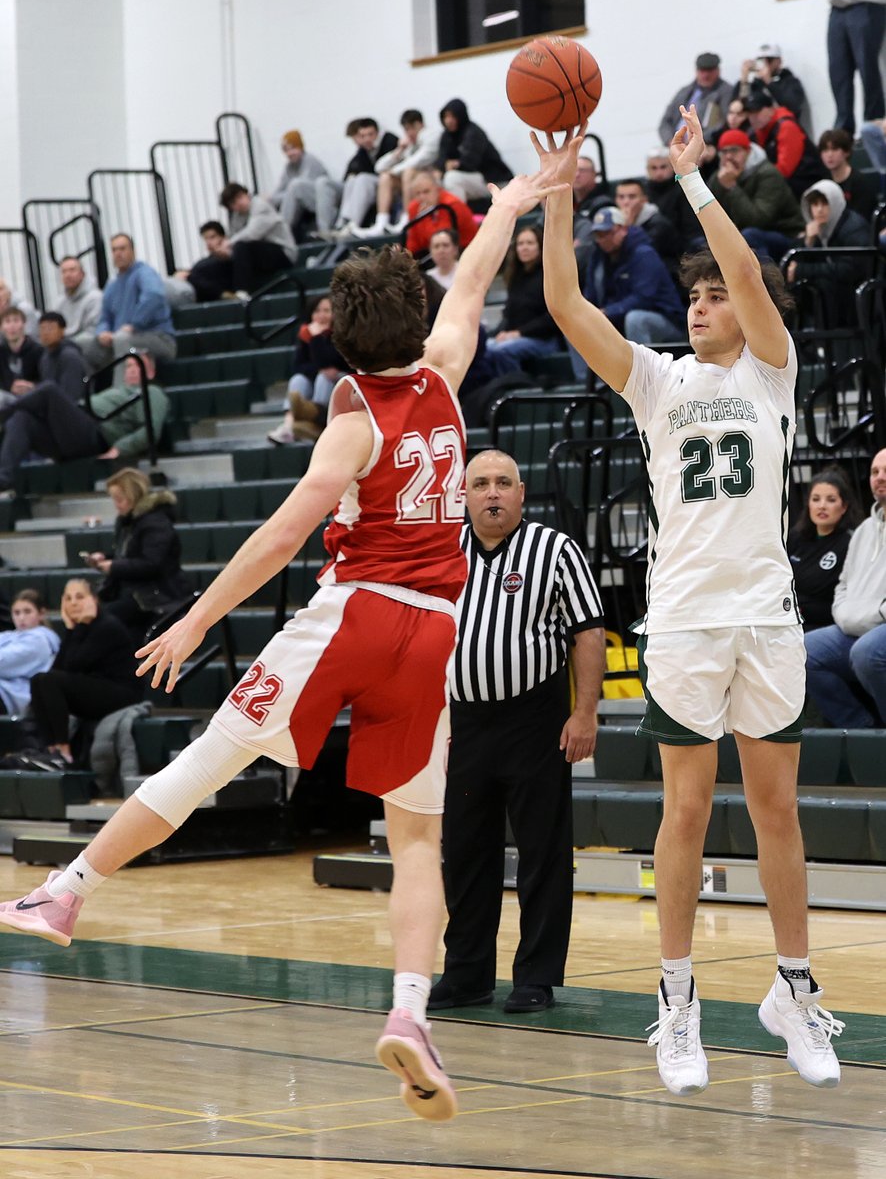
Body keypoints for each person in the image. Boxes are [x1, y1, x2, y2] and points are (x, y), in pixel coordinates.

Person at [0, 167, 562, 1123]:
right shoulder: (450, 374)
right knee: (417, 838)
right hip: (435, 633)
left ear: (340, 339)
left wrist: (196, 617)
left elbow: (278, 539)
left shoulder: (350, 420)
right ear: (414, 320)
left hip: (354, 614)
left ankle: (66, 891)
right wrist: (512, 205)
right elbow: (470, 284)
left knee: (212, 755)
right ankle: (412, 1011)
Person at [538, 104, 844, 1096]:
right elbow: (567, 310)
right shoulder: (659, 385)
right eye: (697, 296)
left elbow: (751, 276)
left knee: (778, 814)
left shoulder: (770, 377)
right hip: (680, 622)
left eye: (718, 294)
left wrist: (692, 179)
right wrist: (554, 202)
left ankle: (792, 991)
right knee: (682, 813)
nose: (707, 302)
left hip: (764, 617)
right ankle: (675, 1001)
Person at [429, 449, 604, 1014]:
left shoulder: (555, 550)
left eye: (504, 482)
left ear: (522, 493)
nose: (492, 493)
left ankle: (536, 976)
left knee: (543, 853)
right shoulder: (440, 554)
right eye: (480, 484)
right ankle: (466, 973)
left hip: (537, 720)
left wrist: (585, 713)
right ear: (465, 495)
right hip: (464, 724)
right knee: (463, 854)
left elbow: (588, 633)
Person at [0, 351, 169, 499]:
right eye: (128, 366)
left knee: (49, 390)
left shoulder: (153, 392)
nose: (132, 370)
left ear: (151, 372)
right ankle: (3, 480)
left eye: (138, 366)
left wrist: (120, 448)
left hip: (94, 434)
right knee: (22, 418)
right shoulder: (117, 391)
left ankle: (3, 413)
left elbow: (151, 430)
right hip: (73, 432)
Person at [805, 449, 886, 728]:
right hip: (855, 626)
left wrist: (875, 614)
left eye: (885, 471)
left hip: (879, 627)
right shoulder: (864, 530)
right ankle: (861, 729)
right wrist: (843, 614)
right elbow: (844, 584)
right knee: (804, 649)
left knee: (867, 653)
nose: (880, 477)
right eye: (875, 472)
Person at [28, 578, 143, 769]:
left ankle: (64, 752)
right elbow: (57, 668)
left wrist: (76, 628)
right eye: (68, 598)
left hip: (122, 693)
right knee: (38, 680)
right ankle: (50, 748)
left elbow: (74, 665)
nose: (73, 603)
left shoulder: (107, 626)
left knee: (49, 681)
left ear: (94, 600)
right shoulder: (79, 628)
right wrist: (72, 629)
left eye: (80, 597)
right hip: (96, 686)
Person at [84, 467, 191, 646]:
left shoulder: (155, 522)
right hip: (135, 593)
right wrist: (105, 558)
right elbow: (129, 554)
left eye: (119, 499)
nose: (116, 505)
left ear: (133, 495)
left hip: (155, 594)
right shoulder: (128, 521)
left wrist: (113, 566)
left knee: (102, 620)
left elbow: (152, 564)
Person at [580, 207, 685, 345]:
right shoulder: (597, 257)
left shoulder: (643, 253)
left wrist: (607, 312)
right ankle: (588, 367)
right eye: (598, 235)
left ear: (622, 229)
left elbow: (644, 298)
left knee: (635, 319)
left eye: (607, 233)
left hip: (665, 319)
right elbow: (590, 294)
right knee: (577, 323)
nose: (602, 239)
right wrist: (588, 313)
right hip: (616, 318)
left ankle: (643, 367)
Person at [81, 235, 176, 376]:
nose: (118, 253)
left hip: (158, 338)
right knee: (82, 343)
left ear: (132, 251)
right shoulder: (112, 284)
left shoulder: (145, 273)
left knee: (122, 339)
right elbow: (105, 316)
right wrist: (102, 332)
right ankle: (85, 395)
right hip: (120, 337)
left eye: (122, 249)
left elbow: (154, 296)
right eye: (114, 250)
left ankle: (121, 392)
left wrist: (134, 325)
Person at [707, 129, 804, 262]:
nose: (729, 157)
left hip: (785, 233)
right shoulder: (720, 177)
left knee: (750, 236)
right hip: (746, 232)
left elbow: (758, 219)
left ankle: (765, 281)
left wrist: (732, 187)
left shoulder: (768, 174)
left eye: (734, 150)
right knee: (702, 243)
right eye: (724, 152)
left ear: (748, 152)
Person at [785, 179, 873, 325]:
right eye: (814, 204)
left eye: (824, 203)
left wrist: (802, 270)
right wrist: (808, 241)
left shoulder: (853, 228)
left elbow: (849, 269)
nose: (819, 210)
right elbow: (790, 266)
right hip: (838, 292)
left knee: (819, 284)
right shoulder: (817, 229)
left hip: (858, 293)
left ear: (835, 203)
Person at [266, 295, 349, 445]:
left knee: (324, 378)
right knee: (299, 379)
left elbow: (333, 361)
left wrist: (317, 338)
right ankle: (289, 426)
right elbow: (299, 366)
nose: (321, 315)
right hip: (321, 378)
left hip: (344, 379)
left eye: (326, 310)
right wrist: (320, 368)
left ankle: (318, 423)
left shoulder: (342, 334)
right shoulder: (306, 334)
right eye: (317, 311)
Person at [788, 468, 860, 634]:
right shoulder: (796, 537)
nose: (822, 506)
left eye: (831, 500)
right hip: (790, 622)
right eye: (816, 499)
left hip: (825, 627)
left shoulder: (851, 542)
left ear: (844, 506)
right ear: (808, 504)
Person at [484, 225, 561, 376]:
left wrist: (519, 333)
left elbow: (552, 318)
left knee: (501, 351)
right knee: (483, 348)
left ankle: (516, 388)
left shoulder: (549, 277)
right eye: (520, 244)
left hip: (544, 339)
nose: (524, 248)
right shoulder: (515, 278)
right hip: (517, 337)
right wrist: (502, 332)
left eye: (530, 243)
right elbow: (509, 314)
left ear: (540, 246)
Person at [356, 109, 441, 238]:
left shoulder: (431, 135)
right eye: (406, 130)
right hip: (413, 180)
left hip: (431, 178)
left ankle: (407, 217)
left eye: (411, 128)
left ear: (419, 124)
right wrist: (399, 150)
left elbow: (420, 159)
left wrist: (395, 170)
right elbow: (379, 167)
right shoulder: (410, 143)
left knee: (408, 172)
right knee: (385, 177)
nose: (409, 133)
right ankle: (381, 223)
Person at [822, 0, 886, 135]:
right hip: (837, 8)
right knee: (838, 72)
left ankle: (873, 126)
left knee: (868, 69)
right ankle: (844, 133)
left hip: (867, 3)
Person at [324, 119, 400, 240]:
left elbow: (382, 168)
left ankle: (354, 223)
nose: (367, 139)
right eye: (363, 136)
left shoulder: (389, 140)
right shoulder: (364, 150)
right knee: (352, 179)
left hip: (392, 184)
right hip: (376, 184)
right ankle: (343, 223)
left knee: (363, 179)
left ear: (377, 133)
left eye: (370, 135)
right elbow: (353, 169)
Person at [744, 91, 826, 198]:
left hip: (809, 186)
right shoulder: (760, 131)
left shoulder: (786, 127)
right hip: (791, 185)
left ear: (770, 109)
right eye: (750, 113)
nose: (753, 118)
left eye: (757, 112)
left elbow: (784, 169)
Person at [220, 184, 298, 294]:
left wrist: (228, 244)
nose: (239, 203)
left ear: (246, 194)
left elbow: (252, 234)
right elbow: (234, 236)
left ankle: (242, 291)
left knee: (241, 247)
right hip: (262, 254)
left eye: (239, 197)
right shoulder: (237, 217)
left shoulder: (260, 206)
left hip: (283, 252)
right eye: (233, 203)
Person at [435, 98, 513, 203]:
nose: (449, 120)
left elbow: (470, 162)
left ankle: (460, 217)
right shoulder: (446, 136)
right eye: (446, 116)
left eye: (452, 116)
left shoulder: (473, 132)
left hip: (494, 181)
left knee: (451, 178)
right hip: (474, 180)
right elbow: (441, 159)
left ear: (460, 116)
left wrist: (455, 164)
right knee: (433, 181)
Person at [0, 589, 60, 717]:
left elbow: (3, 662)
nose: (21, 617)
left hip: (12, 698)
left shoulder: (40, 640)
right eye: (16, 613)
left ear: (41, 614)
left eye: (27, 612)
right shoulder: (8, 635)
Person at [658, 52, 732, 145]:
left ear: (718, 70)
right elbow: (665, 122)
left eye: (709, 71)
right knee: (654, 158)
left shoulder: (725, 92)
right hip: (676, 143)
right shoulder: (685, 91)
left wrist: (695, 141)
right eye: (702, 71)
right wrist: (671, 141)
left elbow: (722, 123)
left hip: (704, 144)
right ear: (696, 71)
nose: (705, 75)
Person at [403, 168, 477, 258]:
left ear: (438, 190)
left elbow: (441, 241)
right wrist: (408, 257)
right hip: (432, 251)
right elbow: (414, 241)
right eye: (417, 193)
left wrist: (425, 217)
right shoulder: (414, 207)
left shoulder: (451, 205)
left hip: (464, 250)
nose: (422, 197)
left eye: (426, 191)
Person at [267, 130, 330, 236]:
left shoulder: (310, 160)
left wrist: (277, 197)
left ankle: (282, 232)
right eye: (286, 150)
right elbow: (279, 192)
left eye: (293, 148)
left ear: (301, 147)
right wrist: (269, 199)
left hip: (318, 202)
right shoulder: (289, 167)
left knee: (296, 185)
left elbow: (298, 191)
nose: (290, 153)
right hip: (301, 206)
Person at [613, 178, 681, 269]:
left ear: (644, 199)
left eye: (632, 197)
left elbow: (640, 254)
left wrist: (628, 226)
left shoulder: (659, 224)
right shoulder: (613, 222)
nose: (626, 202)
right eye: (621, 197)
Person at [734, 44, 808, 124]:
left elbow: (793, 106)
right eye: (761, 60)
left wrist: (769, 82)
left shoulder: (790, 82)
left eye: (769, 60)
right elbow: (739, 107)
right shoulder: (757, 84)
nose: (765, 65)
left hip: (784, 128)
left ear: (779, 61)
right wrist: (744, 80)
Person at [819, 128, 881, 221]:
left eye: (834, 149)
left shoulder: (860, 183)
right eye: (825, 150)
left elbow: (862, 219)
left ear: (846, 152)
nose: (829, 155)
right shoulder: (824, 184)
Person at [173, 221, 236, 304]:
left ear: (223, 237)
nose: (208, 242)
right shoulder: (207, 261)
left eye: (212, 237)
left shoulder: (231, 257)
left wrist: (189, 276)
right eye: (206, 238)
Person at [51, 257, 103, 348]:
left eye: (72, 270)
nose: (68, 275)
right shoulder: (60, 302)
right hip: (65, 346)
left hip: (89, 347)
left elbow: (93, 330)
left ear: (82, 274)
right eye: (64, 272)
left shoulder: (95, 298)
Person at [37, 312, 86, 400]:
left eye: (50, 328)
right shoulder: (45, 357)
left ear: (62, 331)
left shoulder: (70, 356)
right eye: (42, 328)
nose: (46, 333)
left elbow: (72, 394)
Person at [0, 307, 42, 401]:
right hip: (7, 397)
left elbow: (46, 378)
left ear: (24, 324)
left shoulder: (37, 350)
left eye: (16, 320)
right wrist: (9, 387)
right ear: (1, 327)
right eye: (7, 321)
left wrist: (32, 386)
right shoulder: (1, 352)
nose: (12, 326)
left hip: (34, 396)